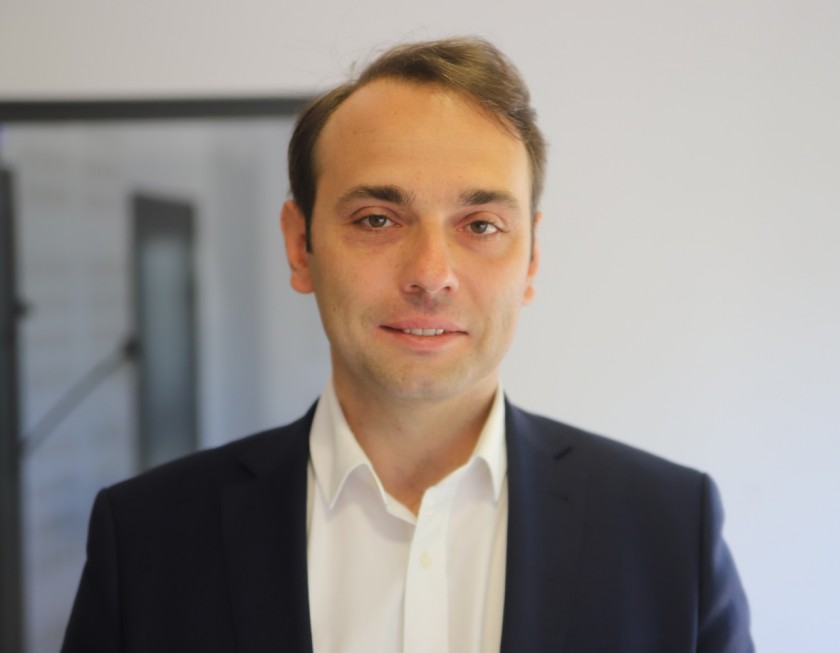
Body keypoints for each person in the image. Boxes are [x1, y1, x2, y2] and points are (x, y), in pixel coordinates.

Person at [62, 37, 754, 652]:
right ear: (300, 246)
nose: (430, 274)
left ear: (531, 259)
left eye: (480, 225)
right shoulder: (148, 537)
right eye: (377, 218)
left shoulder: (670, 530)